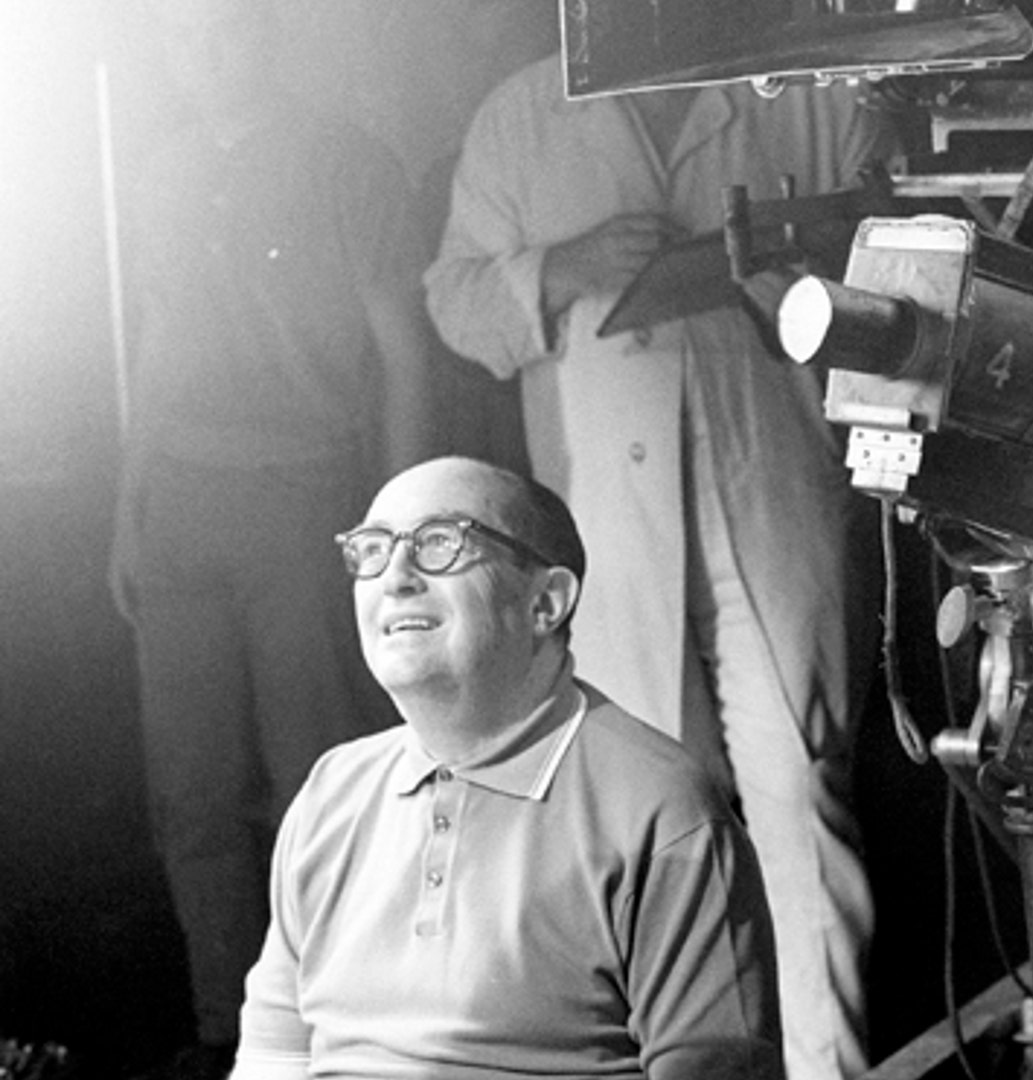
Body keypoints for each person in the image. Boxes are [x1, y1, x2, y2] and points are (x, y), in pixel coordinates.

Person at [423, 56, 887, 1080]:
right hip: (608, 521)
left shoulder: (796, 92)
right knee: (651, 823)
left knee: (800, 795)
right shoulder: (522, 115)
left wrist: (794, 257)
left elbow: (887, 238)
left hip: (767, 490)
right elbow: (454, 300)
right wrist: (556, 269)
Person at [109, 1, 434, 1074]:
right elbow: (155, 340)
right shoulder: (158, 170)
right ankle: (222, 1031)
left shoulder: (348, 162)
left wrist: (399, 524)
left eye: (225, 29)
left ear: (265, 35)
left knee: (319, 776)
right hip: (183, 509)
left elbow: (404, 350)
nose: (205, 53)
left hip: (305, 497)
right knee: (191, 788)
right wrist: (129, 504)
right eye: (184, 35)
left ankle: (342, 1024)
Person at [231, 456, 782, 1079]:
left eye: (440, 543)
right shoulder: (333, 791)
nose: (397, 576)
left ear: (545, 603)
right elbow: (272, 1059)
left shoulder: (661, 810)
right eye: (374, 548)